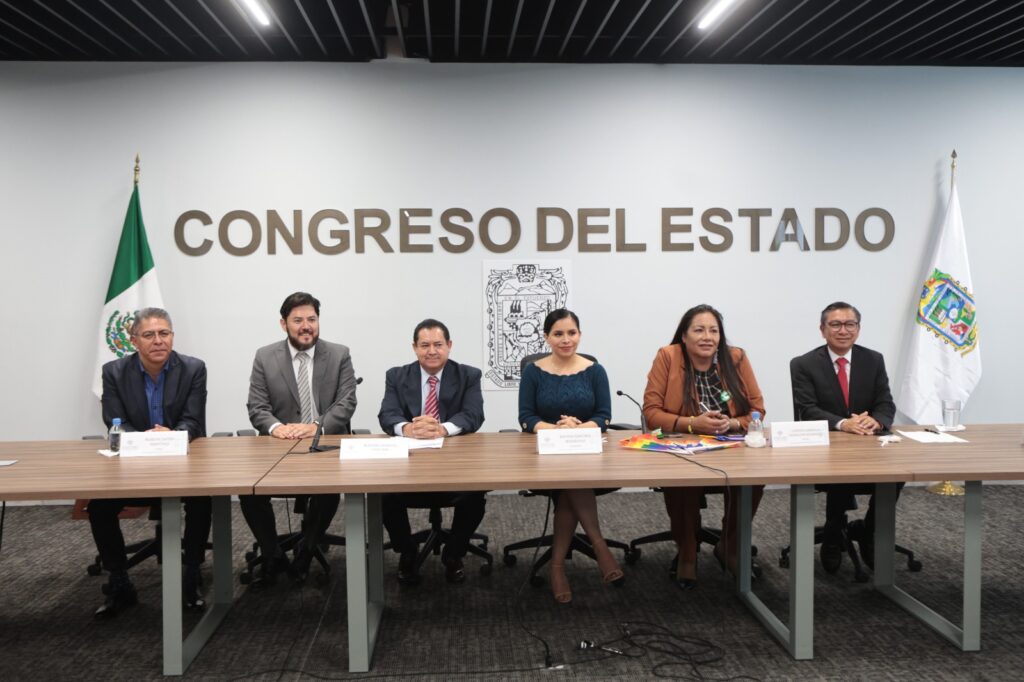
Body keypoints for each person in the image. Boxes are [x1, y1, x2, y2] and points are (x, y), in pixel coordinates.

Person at [89, 307, 210, 618]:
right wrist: (147, 441)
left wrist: (171, 436)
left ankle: (191, 572)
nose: (158, 340)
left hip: (180, 460)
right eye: (149, 335)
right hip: (135, 462)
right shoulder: (114, 372)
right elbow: (114, 421)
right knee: (99, 506)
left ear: (172, 336)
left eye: (164, 333)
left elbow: (193, 420)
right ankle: (119, 580)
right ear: (134, 341)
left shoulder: (194, 369)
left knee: (203, 499)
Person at [642, 304, 766, 590]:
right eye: (699, 330)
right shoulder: (668, 356)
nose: (707, 337)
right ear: (684, 335)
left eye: (714, 331)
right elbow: (652, 413)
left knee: (753, 480)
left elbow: (757, 410)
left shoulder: (736, 358)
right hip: (683, 444)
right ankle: (687, 551)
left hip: (731, 444)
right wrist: (692, 424)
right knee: (681, 481)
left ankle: (729, 546)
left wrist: (732, 423)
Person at [241, 292, 358, 587]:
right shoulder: (265, 356)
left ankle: (307, 549)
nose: (306, 326)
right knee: (249, 492)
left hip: (324, 445)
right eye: (298, 320)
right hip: (279, 447)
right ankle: (273, 554)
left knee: (328, 489)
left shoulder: (339, 354)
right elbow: (257, 407)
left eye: (311, 319)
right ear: (284, 324)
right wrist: (276, 428)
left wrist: (315, 427)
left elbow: (346, 403)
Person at [518, 308, 621, 603]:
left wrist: (577, 429)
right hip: (546, 452)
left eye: (572, 333)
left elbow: (604, 415)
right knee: (573, 482)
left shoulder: (595, 371)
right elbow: (526, 417)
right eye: (558, 334)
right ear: (546, 337)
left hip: (586, 449)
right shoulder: (533, 372)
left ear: (580, 334)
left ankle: (557, 568)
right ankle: (600, 547)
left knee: (572, 483)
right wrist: (557, 430)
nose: (566, 340)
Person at [790, 301, 898, 571]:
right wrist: (842, 424)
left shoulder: (873, 360)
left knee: (898, 473)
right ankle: (832, 532)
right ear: (822, 329)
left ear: (858, 329)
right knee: (839, 471)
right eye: (835, 324)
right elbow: (807, 409)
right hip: (826, 445)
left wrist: (876, 420)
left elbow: (885, 403)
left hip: (868, 443)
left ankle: (871, 530)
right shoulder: (804, 364)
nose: (843, 330)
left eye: (850, 324)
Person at [378, 318, 485, 585]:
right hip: (409, 465)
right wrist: (409, 428)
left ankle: (454, 553)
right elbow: (387, 415)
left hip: (455, 464)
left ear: (449, 345)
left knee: (475, 494)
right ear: (414, 348)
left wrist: (442, 429)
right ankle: (407, 550)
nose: (432, 351)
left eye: (438, 344)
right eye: (424, 345)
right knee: (385, 495)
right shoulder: (396, 376)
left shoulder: (469, 375)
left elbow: (473, 415)